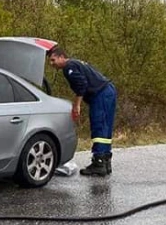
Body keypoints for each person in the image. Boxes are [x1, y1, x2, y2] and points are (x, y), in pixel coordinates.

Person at [46, 46, 117, 176]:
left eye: (53, 60)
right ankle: (106, 161)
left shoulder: (69, 67)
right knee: (106, 128)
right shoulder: (75, 63)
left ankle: (99, 162)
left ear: (62, 57)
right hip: (108, 91)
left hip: (101, 94)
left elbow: (81, 85)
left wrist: (76, 105)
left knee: (99, 127)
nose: (52, 64)